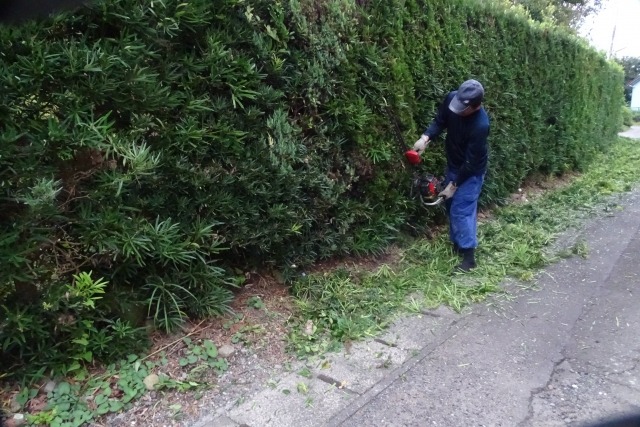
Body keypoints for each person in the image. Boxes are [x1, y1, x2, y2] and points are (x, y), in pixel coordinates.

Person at [413, 79, 489, 272]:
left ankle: (469, 258)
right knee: (449, 204)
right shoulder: (452, 99)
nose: (456, 110)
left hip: (471, 172)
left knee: (461, 209)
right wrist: (425, 138)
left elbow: (471, 163)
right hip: (454, 164)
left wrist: (453, 185)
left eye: (462, 109)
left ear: (475, 106)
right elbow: (441, 120)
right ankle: (458, 244)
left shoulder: (480, 125)